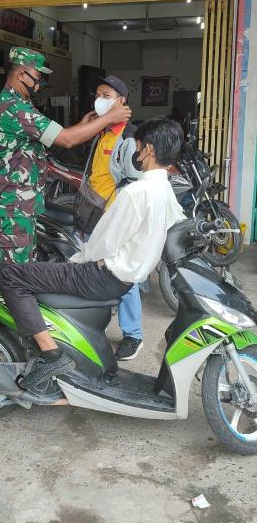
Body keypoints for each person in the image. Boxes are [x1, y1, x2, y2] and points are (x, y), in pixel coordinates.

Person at [0, 118, 185, 381]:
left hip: (101, 276)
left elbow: (104, 243)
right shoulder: (166, 190)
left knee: (12, 276)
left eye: (138, 147)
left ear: (149, 149)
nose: (136, 153)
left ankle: (51, 354)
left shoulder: (136, 192)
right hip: (124, 281)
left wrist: (76, 262)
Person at [0, 46, 131, 263]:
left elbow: (55, 136)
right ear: (21, 74)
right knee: (13, 268)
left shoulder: (21, 104)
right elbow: (66, 139)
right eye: (37, 76)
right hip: (13, 205)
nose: (40, 82)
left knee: (22, 262)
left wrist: (81, 125)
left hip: (20, 202)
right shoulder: (14, 108)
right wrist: (108, 118)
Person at [87, 75, 144, 361]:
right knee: (98, 271)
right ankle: (99, 322)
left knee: (122, 273)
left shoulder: (129, 136)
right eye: (98, 94)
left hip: (116, 217)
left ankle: (134, 334)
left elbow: (135, 182)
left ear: (121, 101)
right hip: (97, 213)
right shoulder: (103, 131)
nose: (99, 100)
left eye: (106, 95)